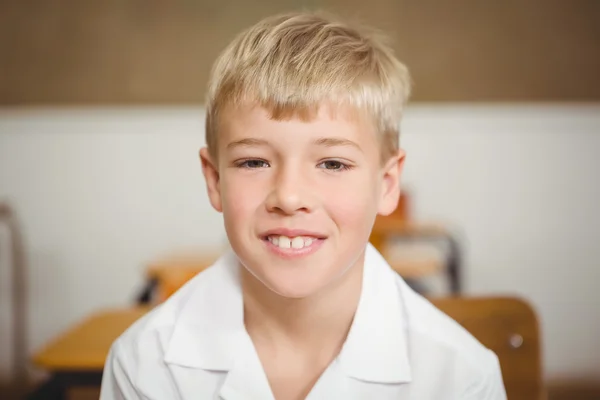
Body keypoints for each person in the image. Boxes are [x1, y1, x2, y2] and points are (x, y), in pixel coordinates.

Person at [100, 11, 507, 400]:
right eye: (254, 162)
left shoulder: (460, 378)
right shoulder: (144, 366)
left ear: (386, 184)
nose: (290, 197)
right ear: (214, 179)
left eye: (333, 163)